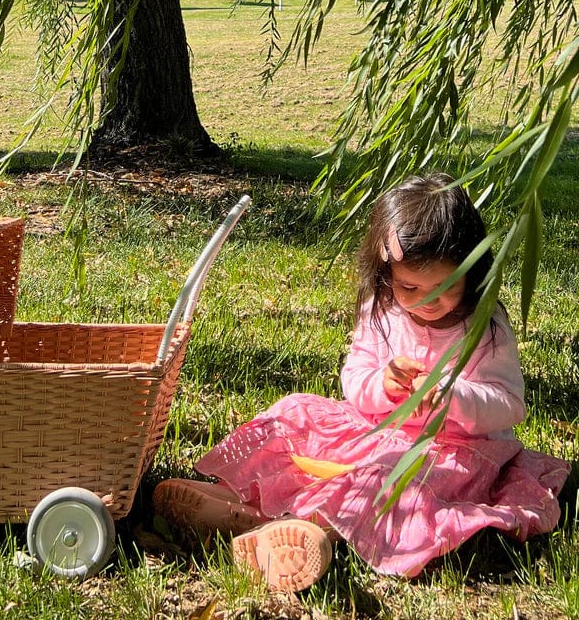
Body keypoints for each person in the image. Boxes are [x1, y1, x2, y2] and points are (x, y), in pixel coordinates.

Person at [153, 174, 571, 592]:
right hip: (378, 428)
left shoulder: (484, 324)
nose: (426, 300)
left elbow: (509, 403)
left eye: (444, 287)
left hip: (451, 449)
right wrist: (382, 385)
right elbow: (355, 377)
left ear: (471, 271)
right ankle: (238, 504)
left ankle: (298, 530)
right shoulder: (382, 308)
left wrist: (452, 395)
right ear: (385, 272)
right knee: (296, 414)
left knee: (380, 479)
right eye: (410, 286)